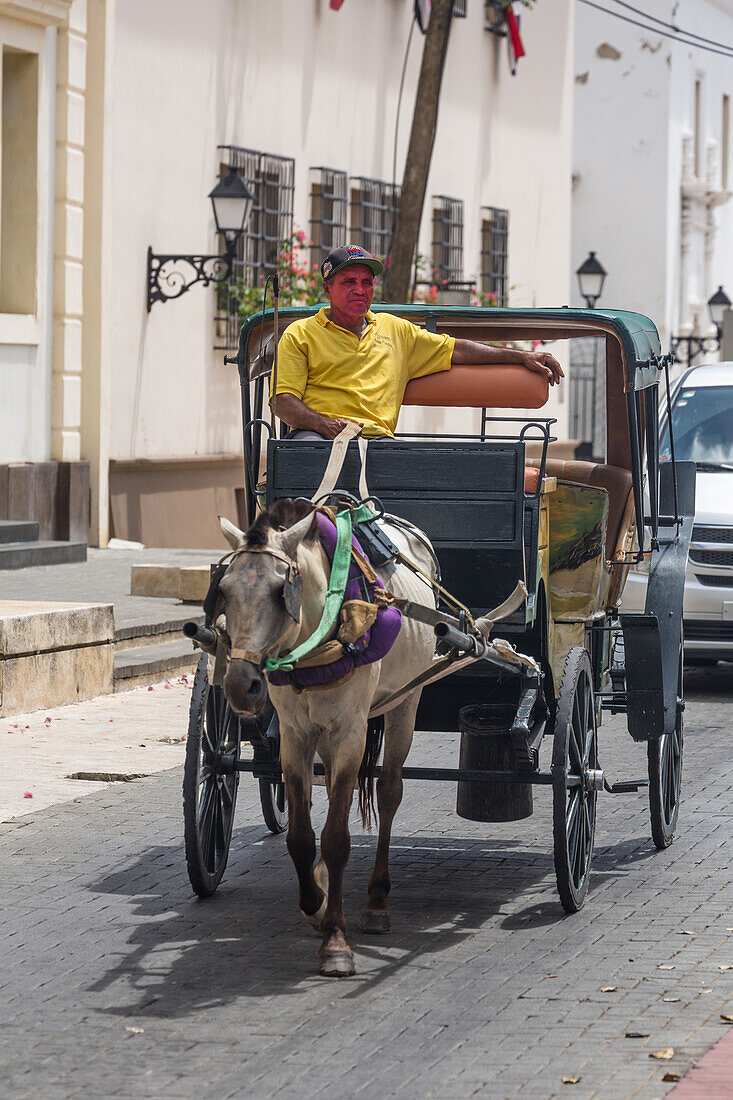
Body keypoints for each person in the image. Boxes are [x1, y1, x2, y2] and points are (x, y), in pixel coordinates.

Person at [271, 244, 563, 440]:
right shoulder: (301, 334)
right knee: (305, 457)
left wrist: (521, 356)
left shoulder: (395, 330)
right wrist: (324, 425)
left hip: (376, 443)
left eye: (367, 282)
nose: (360, 290)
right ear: (327, 288)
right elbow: (282, 401)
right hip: (318, 439)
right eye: (349, 282)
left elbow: (456, 349)